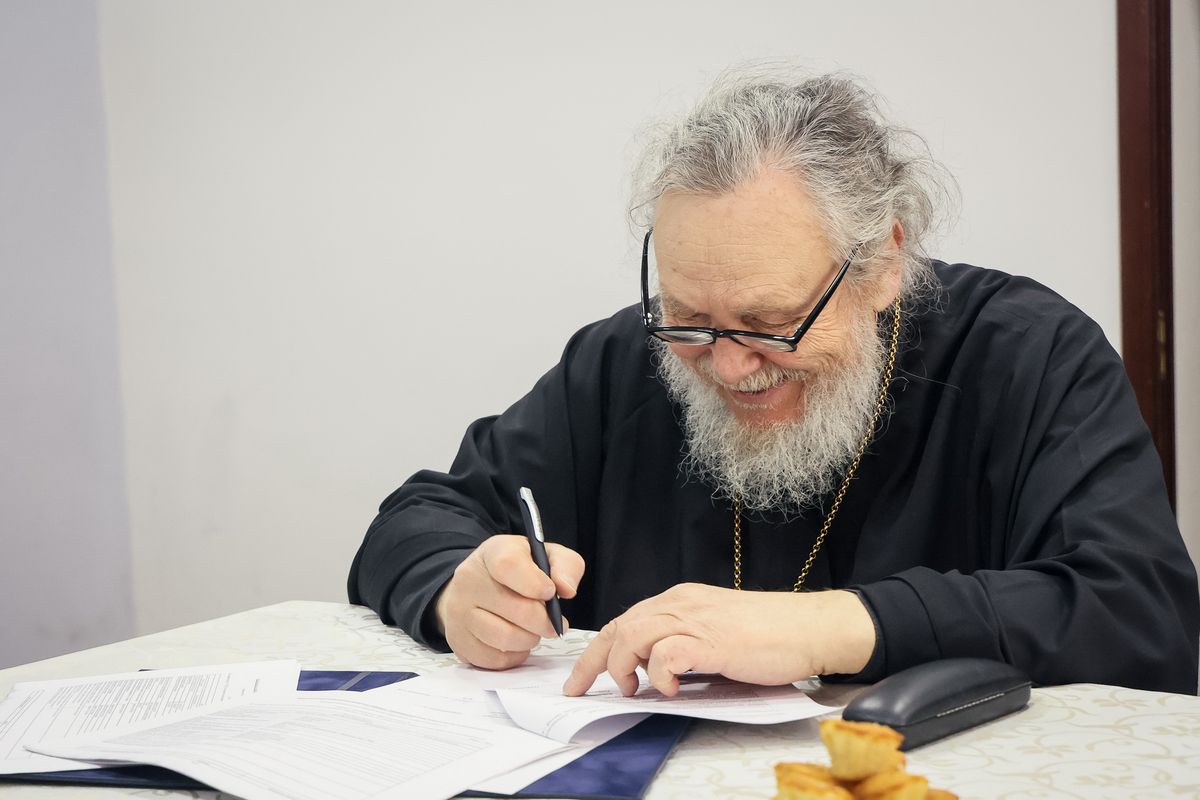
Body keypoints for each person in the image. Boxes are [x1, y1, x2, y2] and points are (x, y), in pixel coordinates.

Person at [348, 69, 1199, 697]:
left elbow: (1142, 616)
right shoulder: (624, 362)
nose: (727, 365)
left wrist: (826, 627)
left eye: (769, 323)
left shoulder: (1027, 355)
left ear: (883, 263)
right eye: (689, 318)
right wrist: (455, 587)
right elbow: (416, 519)